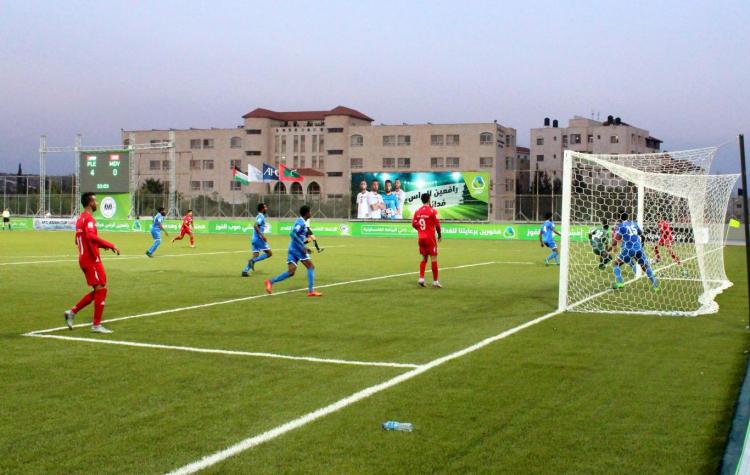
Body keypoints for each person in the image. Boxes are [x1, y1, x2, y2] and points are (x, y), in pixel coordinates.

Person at [64, 192, 121, 333]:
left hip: (84, 258)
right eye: (95, 201)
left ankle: (72, 312)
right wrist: (111, 244)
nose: (98, 203)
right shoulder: (89, 219)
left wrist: (103, 246)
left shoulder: (80, 219)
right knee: (101, 288)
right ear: (90, 203)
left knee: (99, 289)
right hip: (91, 259)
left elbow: (78, 240)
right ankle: (96, 325)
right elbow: (90, 236)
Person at [264, 205, 322, 297]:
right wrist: (303, 246)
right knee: (311, 267)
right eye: (310, 212)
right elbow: (292, 233)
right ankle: (311, 291)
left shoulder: (301, 222)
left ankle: (270, 282)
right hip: (298, 249)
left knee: (291, 272)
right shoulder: (301, 222)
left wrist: (307, 240)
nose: (311, 213)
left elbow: (299, 234)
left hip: (292, 248)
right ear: (307, 213)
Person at [611, 212, 659, 291]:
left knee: (616, 264)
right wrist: (641, 245)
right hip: (638, 248)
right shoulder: (633, 223)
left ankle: (620, 283)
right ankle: (655, 285)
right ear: (627, 216)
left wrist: (614, 247)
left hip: (628, 249)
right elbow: (642, 236)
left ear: (619, 218)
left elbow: (615, 240)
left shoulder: (621, 226)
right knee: (645, 266)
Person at [412, 193, 442, 288]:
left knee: (424, 259)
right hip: (430, 239)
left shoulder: (417, 211)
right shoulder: (433, 211)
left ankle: (421, 279)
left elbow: (414, 224)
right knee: (434, 259)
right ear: (429, 199)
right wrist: (440, 235)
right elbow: (437, 225)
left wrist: (421, 229)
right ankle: (435, 282)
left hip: (421, 238)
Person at [242, 203, 273, 276]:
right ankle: (252, 261)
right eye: (265, 207)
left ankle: (245, 271)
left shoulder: (259, 216)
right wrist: (262, 236)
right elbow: (255, 225)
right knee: (269, 253)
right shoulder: (261, 217)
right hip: (258, 239)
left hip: (254, 239)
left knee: (256, 255)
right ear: (262, 209)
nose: (266, 208)